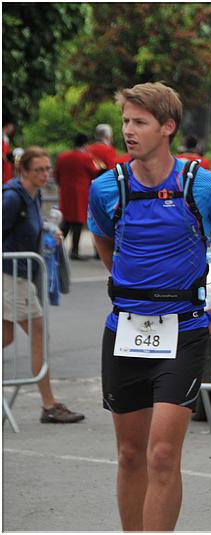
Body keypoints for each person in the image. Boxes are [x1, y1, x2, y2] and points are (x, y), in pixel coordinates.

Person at [88, 82, 211, 531]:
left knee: (161, 454)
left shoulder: (205, 186)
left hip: (183, 330)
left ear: (168, 127)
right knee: (129, 454)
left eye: (140, 122)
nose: (128, 131)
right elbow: (107, 246)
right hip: (125, 329)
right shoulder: (106, 188)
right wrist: (132, 285)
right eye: (125, 121)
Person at [3, 146, 85, 423]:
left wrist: (49, 232)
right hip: (12, 275)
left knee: (7, 337)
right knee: (39, 333)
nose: (44, 174)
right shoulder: (12, 197)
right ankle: (49, 404)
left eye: (47, 169)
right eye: (38, 170)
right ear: (23, 171)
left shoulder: (33, 195)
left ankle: (49, 404)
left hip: (21, 273)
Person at [55, 133, 99, 260]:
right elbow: (94, 173)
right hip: (80, 192)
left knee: (67, 220)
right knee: (78, 221)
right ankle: (74, 250)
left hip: (65, 192)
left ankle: (55, 246)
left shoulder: (62, 157)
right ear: (85, 144)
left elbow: (57, 175)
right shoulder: (86, 157)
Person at [3, 117, 15, 183]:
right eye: (12, 125)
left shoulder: (6, 139)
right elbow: (5, 156)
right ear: (7, 125)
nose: (13, 127)